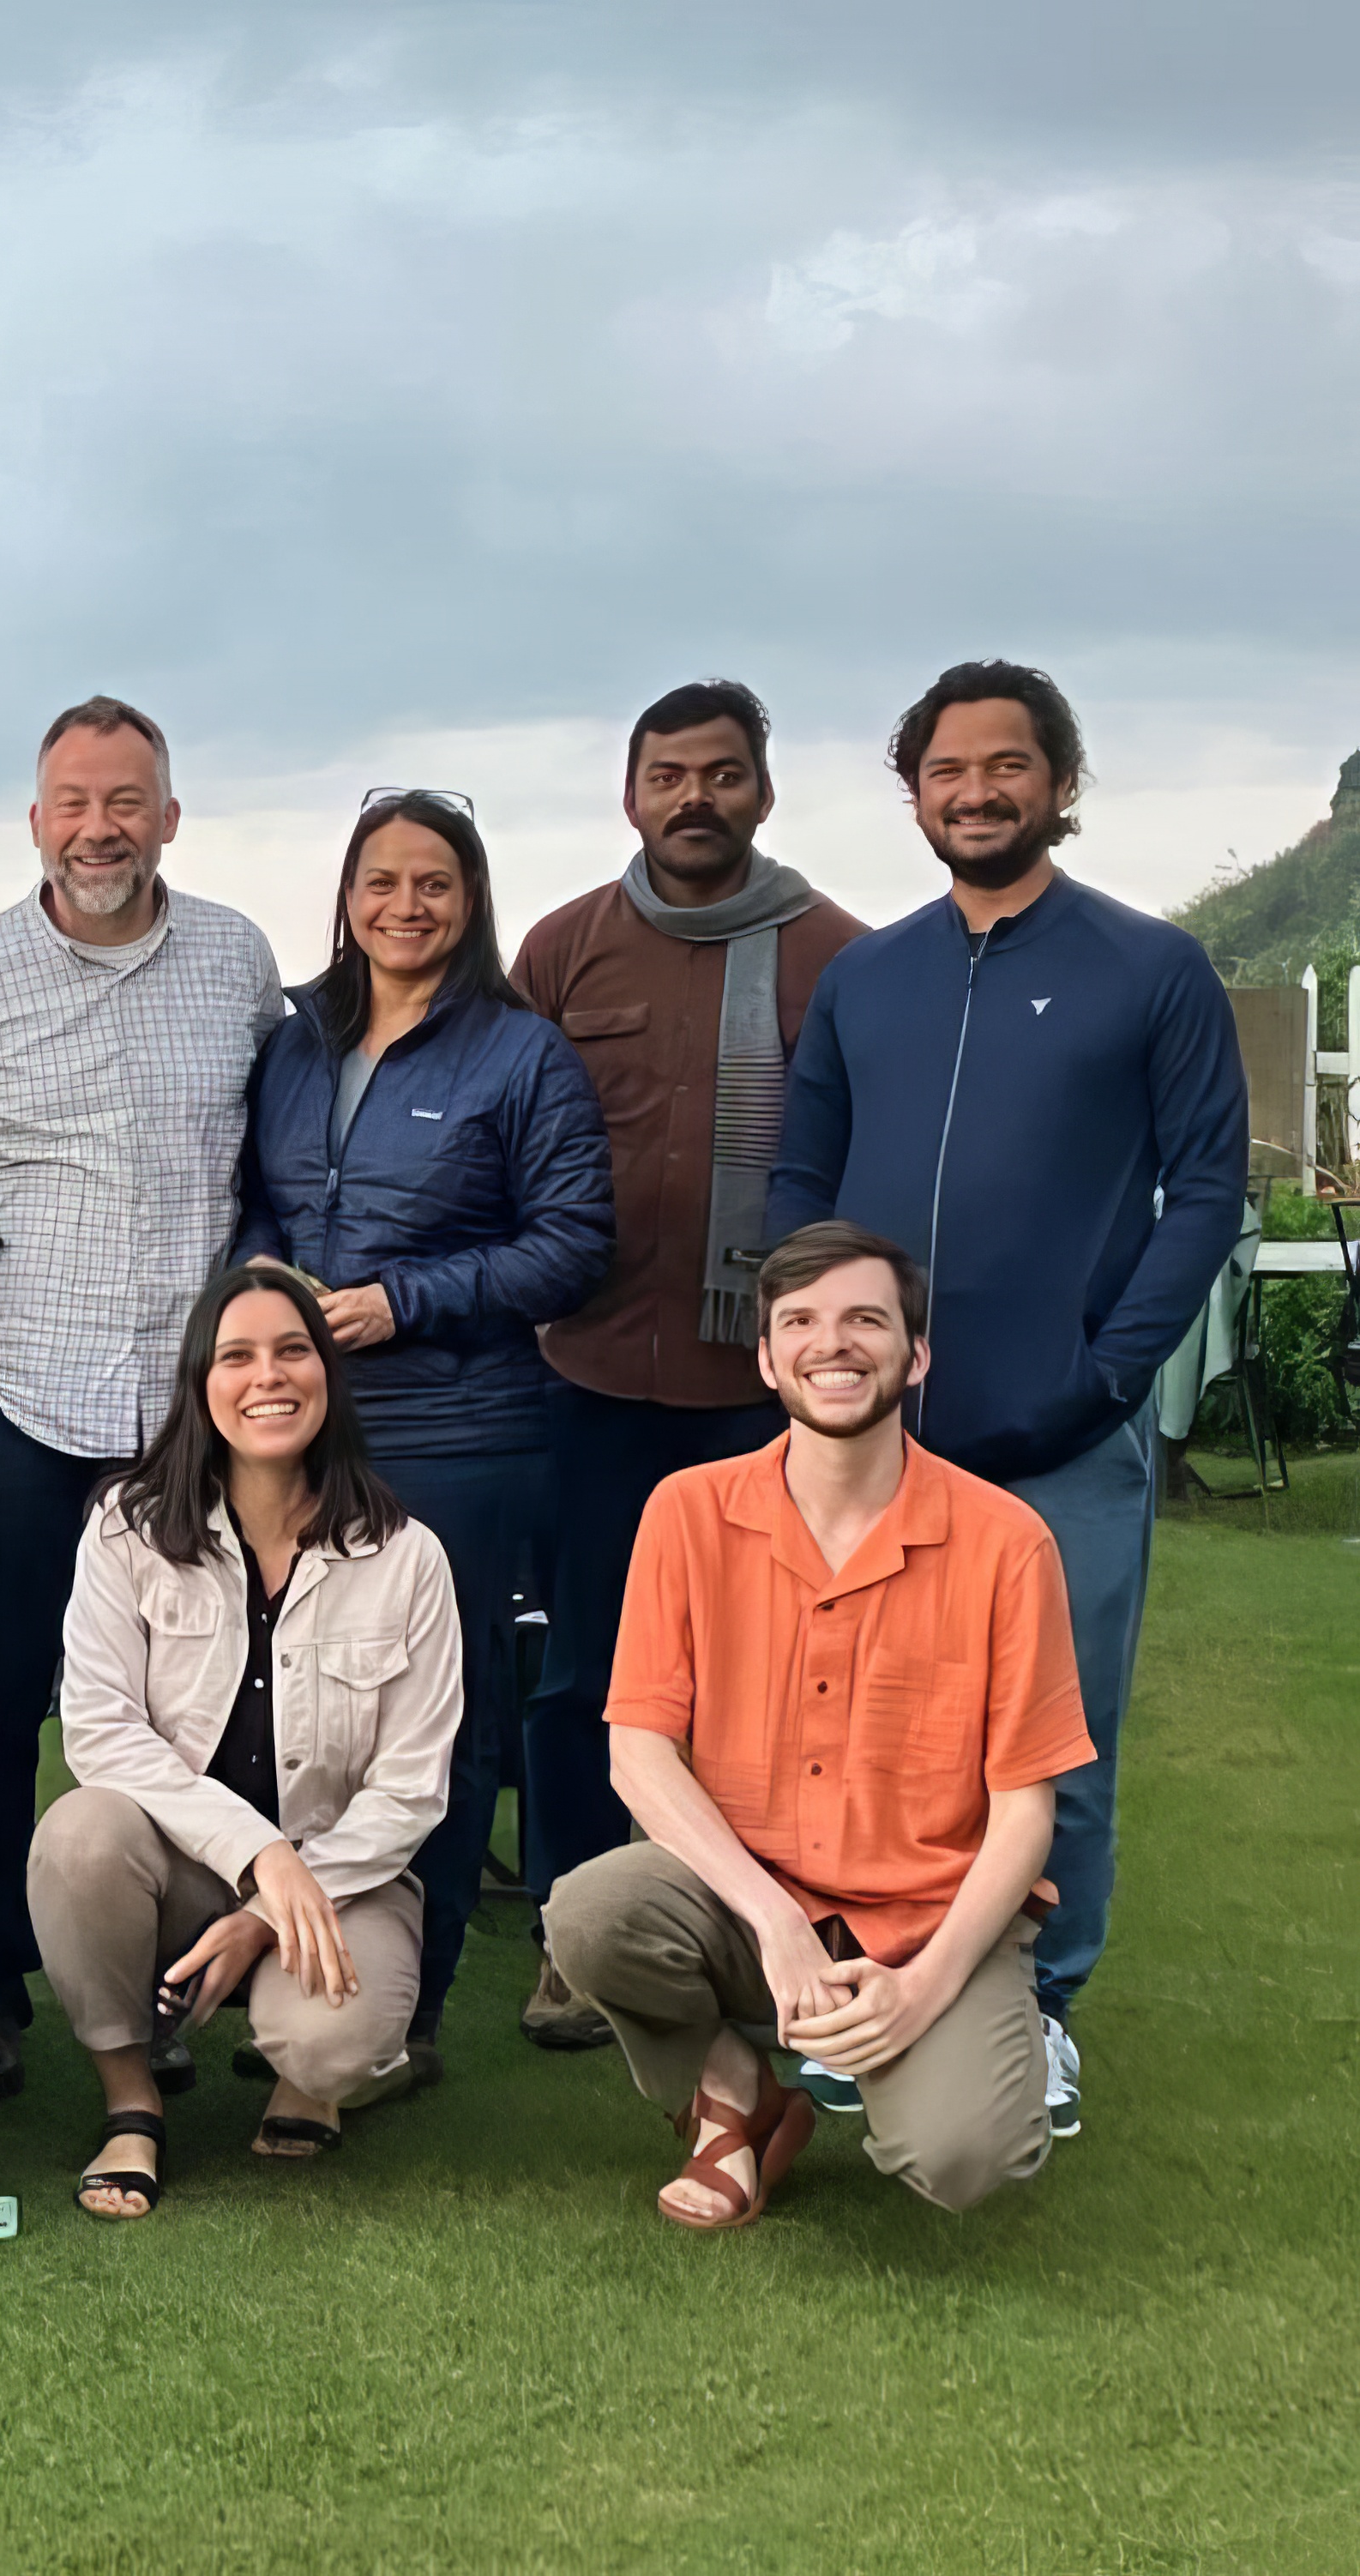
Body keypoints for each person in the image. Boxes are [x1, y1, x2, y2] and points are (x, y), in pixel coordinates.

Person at [767, 661, 1244, 2137]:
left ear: (1057, 782)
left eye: (1003, 767)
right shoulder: (863, 976)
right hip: (862, 1448)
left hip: (1054, 1443)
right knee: (855, 1736)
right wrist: (807, 1349)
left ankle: (1036, 2017)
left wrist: (1105, 1369)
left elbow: (1206, 1189)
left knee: (1050, 1743)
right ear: (909, 792)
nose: (974, 792)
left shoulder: (1146, 969)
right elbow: (798, 1179)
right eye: (944, 771)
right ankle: (859, 1996)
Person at [0, 695, 286, 2090]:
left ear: (167, 814)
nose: (97, 826)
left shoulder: (235, 960)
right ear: (33, 818)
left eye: (125, 800)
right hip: (15, 1402)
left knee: (193, 1706)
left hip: (187, 1417)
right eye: (71, 801)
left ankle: (167, 1971)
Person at [543, 1222, 1096, 2223]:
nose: (827, 1344)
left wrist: (920, 1993)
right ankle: (736, 2093)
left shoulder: (1007, 1545)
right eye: (797, 1321)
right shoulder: (685, 1511)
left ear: (913, 1354)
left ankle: (888, 2054)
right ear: (764, 1356)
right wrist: (777, 1923)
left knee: (964, 2158)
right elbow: (637, 1754)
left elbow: (1024, 1816)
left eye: (863, 1321)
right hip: (743, 1903)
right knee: (590, 1914)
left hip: (923, 1921)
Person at [228, 787, 610, 2076]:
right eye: (380, 881)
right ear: (344, 895)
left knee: (437, 1724)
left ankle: (411, 2005)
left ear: (471, 898)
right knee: (290, 1710)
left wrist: (405, 1301)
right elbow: (256, 1207)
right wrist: (270, 1300)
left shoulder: (521, 1051)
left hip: (461, 1429)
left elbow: (573, 1243)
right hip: (299, 1423)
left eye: (433, 883)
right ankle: (290, 1966)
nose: (405, 905)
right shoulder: (293, 1039)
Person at [508, 685, 865, 2050]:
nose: (694, 797)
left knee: (767, 1679)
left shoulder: (836, 954)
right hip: (589, 1373)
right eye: (669, 774)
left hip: (760, 1393)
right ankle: (565, 1928)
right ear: (631, 793)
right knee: (586, 1665)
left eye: (722, 774)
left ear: (763, 792)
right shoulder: (563, 949)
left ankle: (767, 1928)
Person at [30, 1267, 460, 2211]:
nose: (266, 1377)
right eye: (235, 1356)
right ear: (199, 1385)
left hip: (338, 1880)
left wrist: (274, 1903)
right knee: (77, 1835)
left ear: (327, 1376)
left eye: (291, 1351)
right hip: (183, 1863)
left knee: (327, 2040)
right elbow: (98, 1730)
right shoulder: (125, 1527)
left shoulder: (406, 1556)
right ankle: (130, 2102)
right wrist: (256, 1856)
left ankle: (316, 2074)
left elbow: (412, 1788)